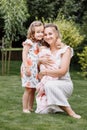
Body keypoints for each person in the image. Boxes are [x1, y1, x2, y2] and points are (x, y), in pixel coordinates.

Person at [35, 23, 81, 119]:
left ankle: (70, 112)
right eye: (45, 34)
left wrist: (45, 72)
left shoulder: (65, 50)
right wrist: (39, 62)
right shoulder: (44, 51)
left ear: (56, 34)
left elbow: (63, 71)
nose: (48, 37)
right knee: (43, 111)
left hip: (64, 83)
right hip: (49, 82)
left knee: (49, 85)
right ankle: (58, 106)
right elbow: (38, 73)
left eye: (50, 34)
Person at [21, 21, 44, 113]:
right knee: (28, 88)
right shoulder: (29, 42)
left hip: (35, 69)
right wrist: (26, 67)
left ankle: (30, 107)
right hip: (29, 67)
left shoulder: (39, 43)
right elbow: (24, 54)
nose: (40, 34)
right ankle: (25, 108)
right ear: (32, 32)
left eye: (42, 32)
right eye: (38, 32)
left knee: (33, 88)